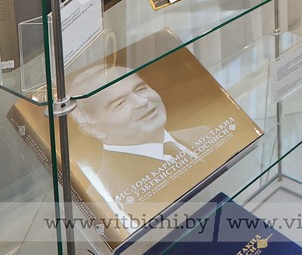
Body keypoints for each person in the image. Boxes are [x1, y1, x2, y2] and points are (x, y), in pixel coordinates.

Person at [69, 63, 210, 203]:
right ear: (94, 130)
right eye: (120, 103)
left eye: (141, 89)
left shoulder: (204, 133)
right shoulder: (104, 197)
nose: (142, 102)